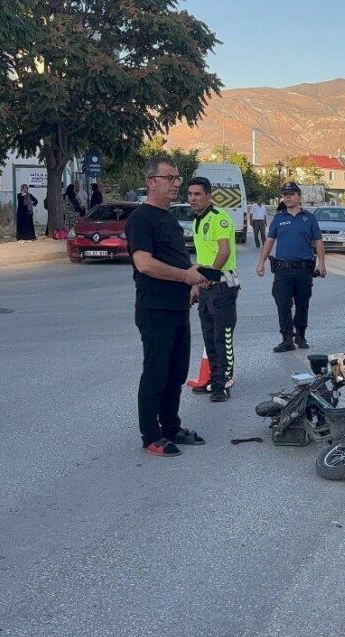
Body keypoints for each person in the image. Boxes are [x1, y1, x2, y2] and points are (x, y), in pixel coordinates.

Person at [125, 155, 211, 457]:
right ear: (151, 183)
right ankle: (151, 434)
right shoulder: (141, 218)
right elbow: (145, 264)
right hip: (155, 308)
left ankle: (171, 426)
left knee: (176, 373)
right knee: (156, 373)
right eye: (169, 178)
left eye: (177, 178)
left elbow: (176, 257)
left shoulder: (170, 217)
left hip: (178, 307)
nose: (177, 183)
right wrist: (185, 275)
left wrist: (190, 283)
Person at [185, 176, 239, 403]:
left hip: (223, 285)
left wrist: (208, 276)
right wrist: (197, 284)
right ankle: (213, 377)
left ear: (209, 195)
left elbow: (224, 252)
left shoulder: (220, 218)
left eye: (197, 194)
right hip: (207, 287)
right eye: (189, 194)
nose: (192, 199)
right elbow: (203, 256)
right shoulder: (198, 220)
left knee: (222, 335)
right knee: (209, 334)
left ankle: (223, 382)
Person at [256, 182, 326, 353]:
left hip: (303, 269)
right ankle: (287, 338)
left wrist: (322, 263)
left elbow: (318, 242)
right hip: (283, 270)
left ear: (299, 197)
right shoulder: (279, 219)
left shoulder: (309, 218)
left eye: (291, 194)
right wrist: (261, 263)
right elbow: (269, 241)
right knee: (283, 304)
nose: (287, 197)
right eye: (285, 194)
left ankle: (300, 335)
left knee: (302, 304)